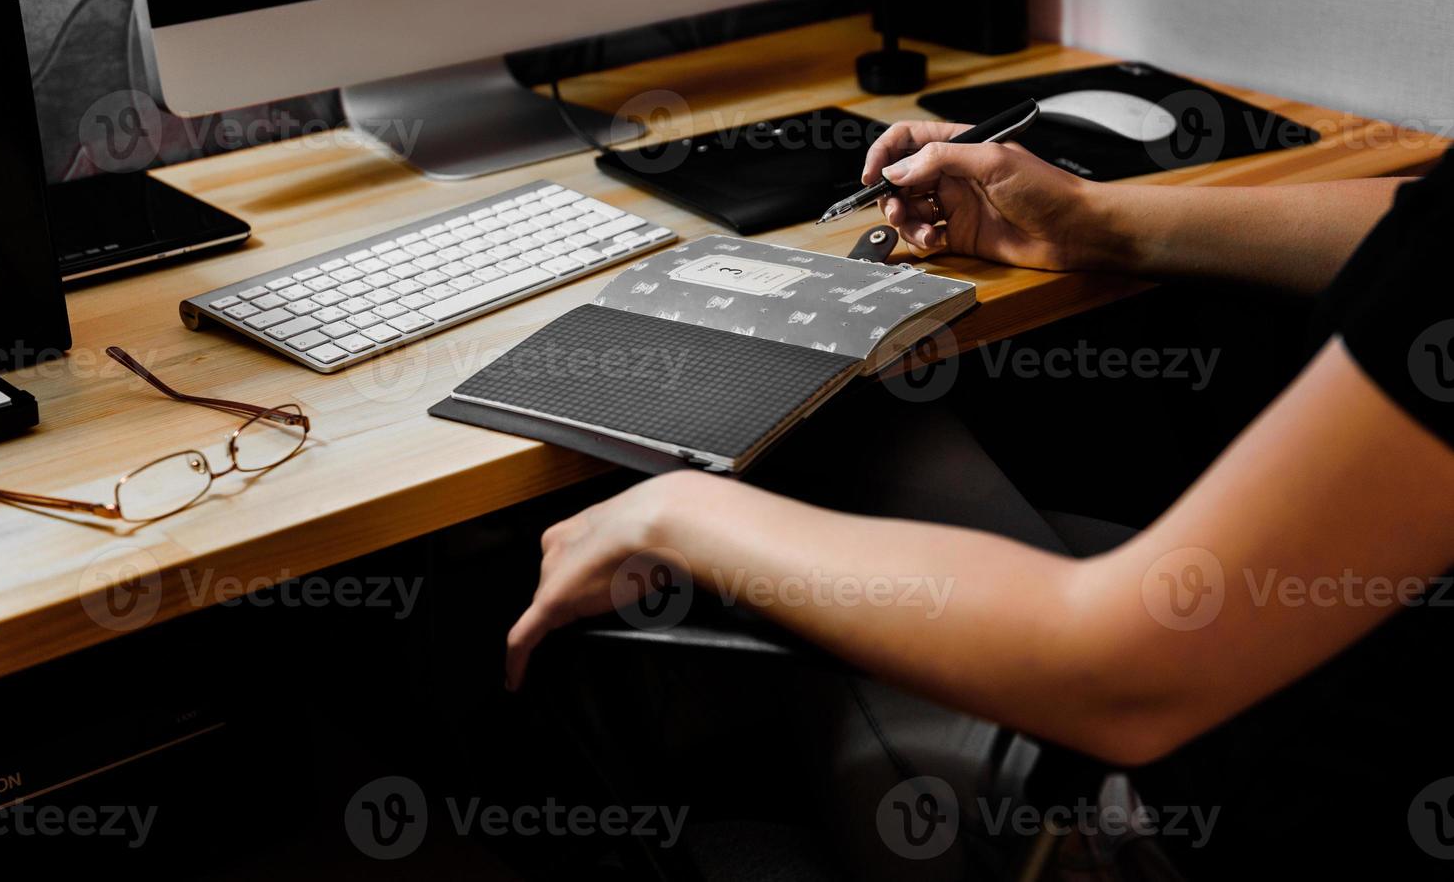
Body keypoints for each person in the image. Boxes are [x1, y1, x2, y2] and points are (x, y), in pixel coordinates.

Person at [504, 123, 1454, 877]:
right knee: (875, 439)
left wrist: (674, 513)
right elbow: (1418, 234)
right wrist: (1095, 220)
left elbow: (1120, 670)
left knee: (804, 466)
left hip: (1218, 803)